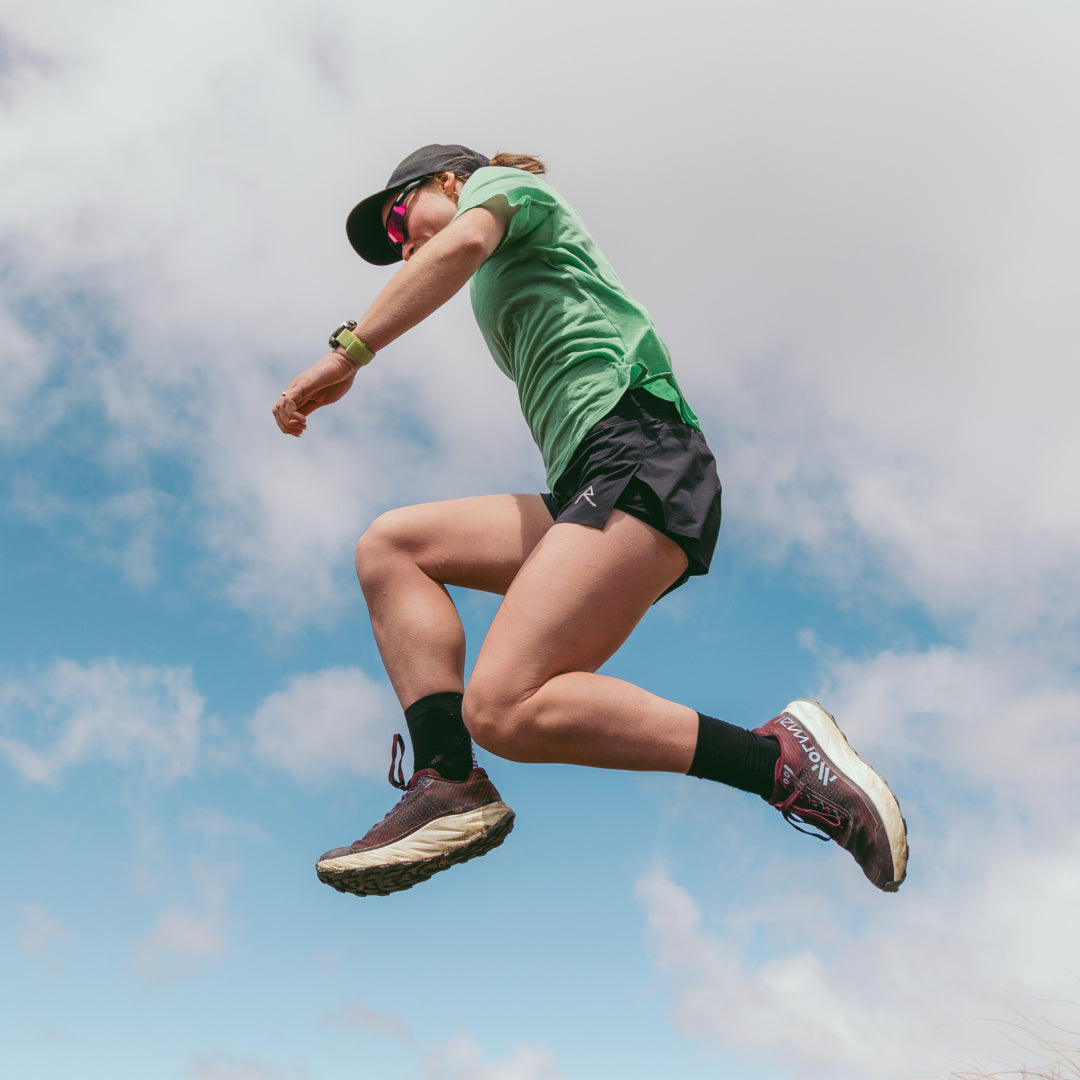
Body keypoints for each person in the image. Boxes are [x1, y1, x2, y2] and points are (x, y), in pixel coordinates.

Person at [272, 144, 908, 897]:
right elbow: (446, 261)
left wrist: (350, 353)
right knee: (392, 546)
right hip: (589, 481)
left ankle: (778, 762)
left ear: (449, 180)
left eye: (398, 220)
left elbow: (462, 242)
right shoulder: (491, 272)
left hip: (641, 449)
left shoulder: (500, 190)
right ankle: (447, 780)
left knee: (502, 707)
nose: (404, 245)